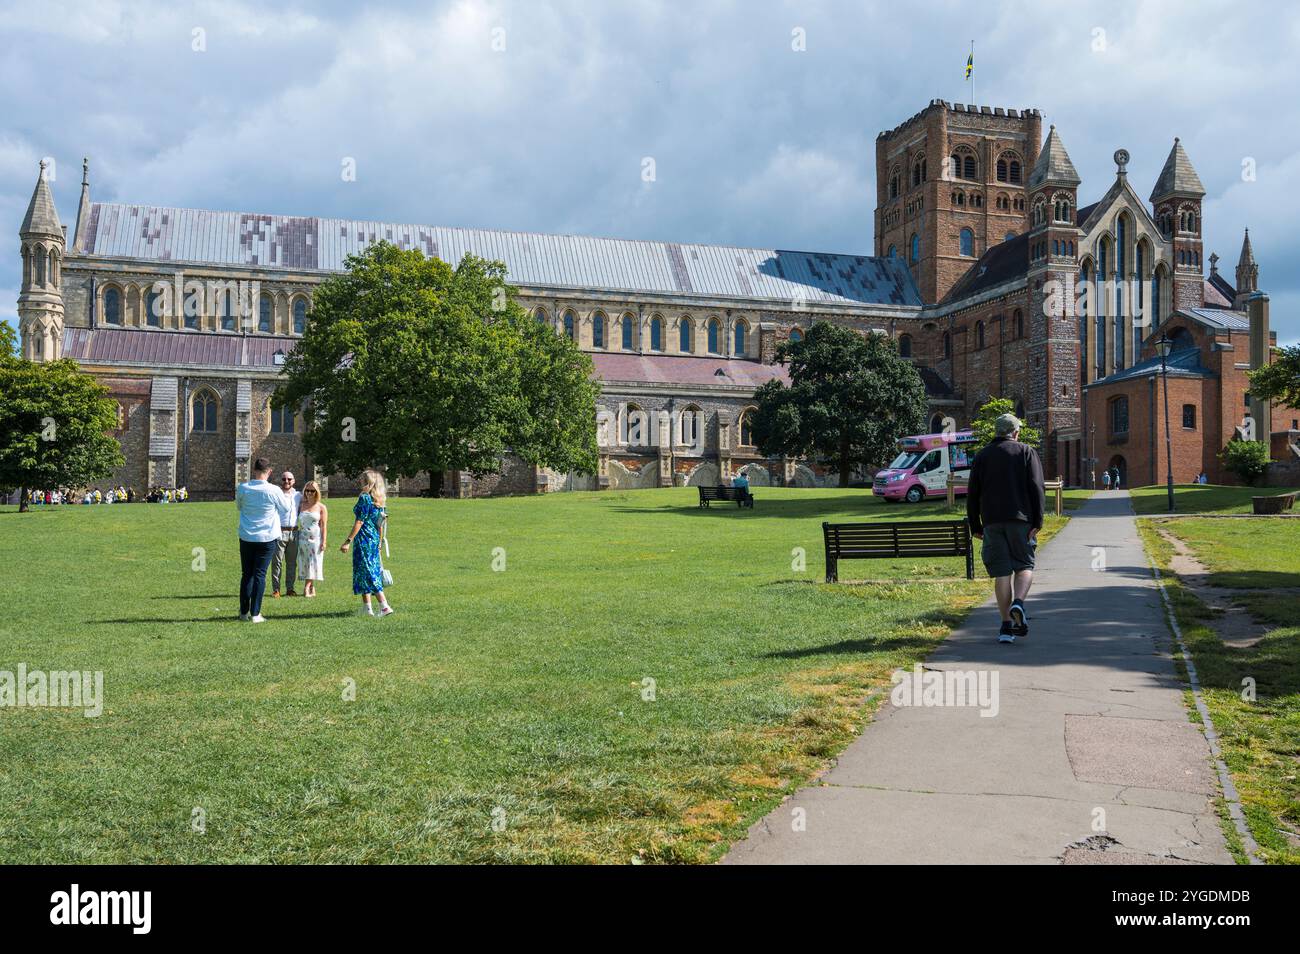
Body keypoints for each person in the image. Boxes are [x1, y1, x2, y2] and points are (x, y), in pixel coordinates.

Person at [966, 413, 1045, 645]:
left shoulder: (982, 456)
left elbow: (973, 494)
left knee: (1002, 573)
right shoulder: (1026, 452)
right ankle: (1018, 602)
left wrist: (975, 525)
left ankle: (1005, 627)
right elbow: (1037, 488)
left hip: (992, 520)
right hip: (1021, 521)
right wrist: (1037, 522)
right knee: (1025, 566)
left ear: (996, 431)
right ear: (1016, 432)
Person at [236, 458, 291, 623]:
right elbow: (286, 508)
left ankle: (244, 612)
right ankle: (255, 614)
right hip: (267, 538)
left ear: (254, 470)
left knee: (247, 574)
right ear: (270, 471)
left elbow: (239, 506)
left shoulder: (243, 488)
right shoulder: (274, 490)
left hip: (246, 536)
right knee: (259, 574)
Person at [340, 469, 393, 617]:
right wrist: (380, 542)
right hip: (374, 539)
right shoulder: (380, 501)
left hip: (363, 539)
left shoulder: (365, 498)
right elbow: (380, 523)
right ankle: (367, 608)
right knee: (365, 571)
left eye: (362, 480)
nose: (360, 483)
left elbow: (359, 521)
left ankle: (384, 605)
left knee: (369, 572)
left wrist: (348, 541)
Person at [271, 471, 302, 597]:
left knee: (291, 563)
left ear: (293, 481)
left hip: (294, 532)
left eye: (289, 479)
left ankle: (290, 589)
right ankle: (276, 589)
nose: (286, 481)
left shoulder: (298, 495)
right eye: (284, 479)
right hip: (279, 531)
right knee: (276, 562)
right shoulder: (276, 494)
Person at [296, 481, 328, 598]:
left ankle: (306, 588)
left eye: (312, 491)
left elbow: (324, 526)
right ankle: (312, 587)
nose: (309, 493)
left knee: (313, 562)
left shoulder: (321, 507)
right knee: (305, 563)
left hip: (315, 539)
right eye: (307, 490)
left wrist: (324, 542)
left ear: (316, 492)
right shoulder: (301, 505)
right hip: (302, 538)